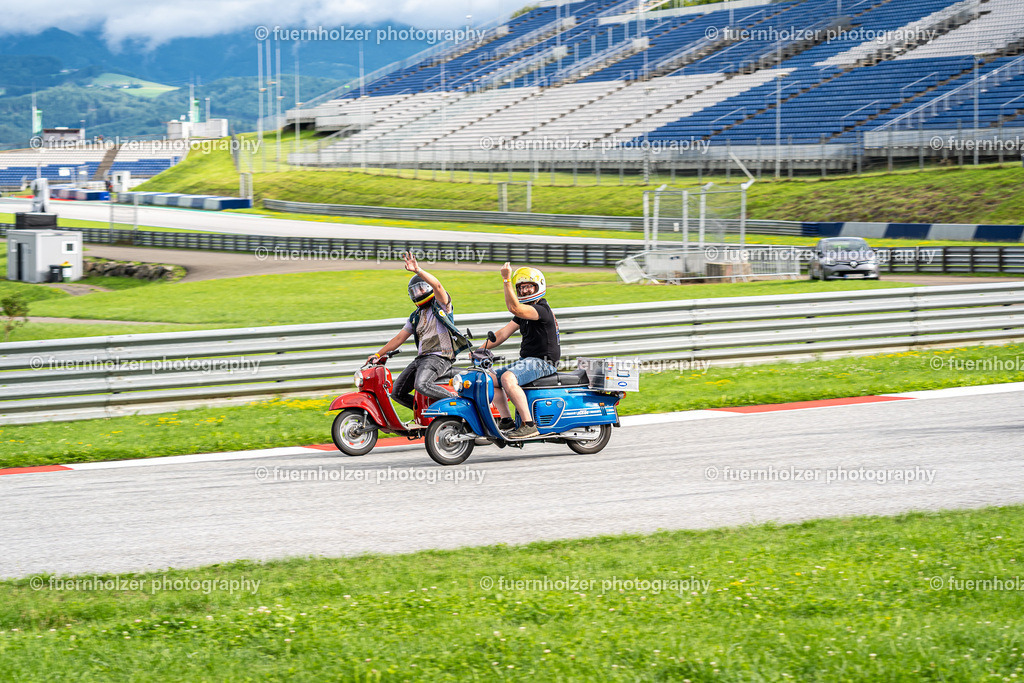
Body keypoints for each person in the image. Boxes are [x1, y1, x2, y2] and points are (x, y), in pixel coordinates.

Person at [368, 253, 471, 421]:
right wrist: (378, 354)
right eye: (415, 290)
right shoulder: (415, 316)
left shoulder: (441, 306)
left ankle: (459, 408)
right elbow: (398, 338)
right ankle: (426, 416)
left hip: (440, 356)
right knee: (397, 392)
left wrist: (418, 270)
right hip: (422, 359)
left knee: (421, 384)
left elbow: (437, 285)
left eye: (422, 288)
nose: (419, 292)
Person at [478, 262, 560, 440]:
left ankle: (528, 425)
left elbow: (514, 307)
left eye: (529, 286)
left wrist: (507, 279)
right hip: (529, 360)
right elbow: (502, 334)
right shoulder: (523, 314)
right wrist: (480, 349)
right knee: (489, 377)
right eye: (520, 288)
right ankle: (506, 421)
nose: (524, 291)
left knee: (508, 377)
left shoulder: (541, 310)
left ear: (539, 286)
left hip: (545, 361)